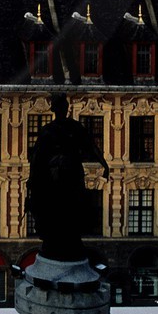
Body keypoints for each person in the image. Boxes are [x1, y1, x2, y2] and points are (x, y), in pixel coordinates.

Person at [25, 94, 111, 262]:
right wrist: (104, 164)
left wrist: (104, 164)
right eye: (61, 107)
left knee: (69, 206)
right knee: (60, 207)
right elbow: (36, 156)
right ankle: (59, 237)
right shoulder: (58, 129)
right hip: (59, 174)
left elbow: (91, 146)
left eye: (63, 107)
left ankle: (66, 236)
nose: (62, 110)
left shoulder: (60, 129)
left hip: (66, 173)